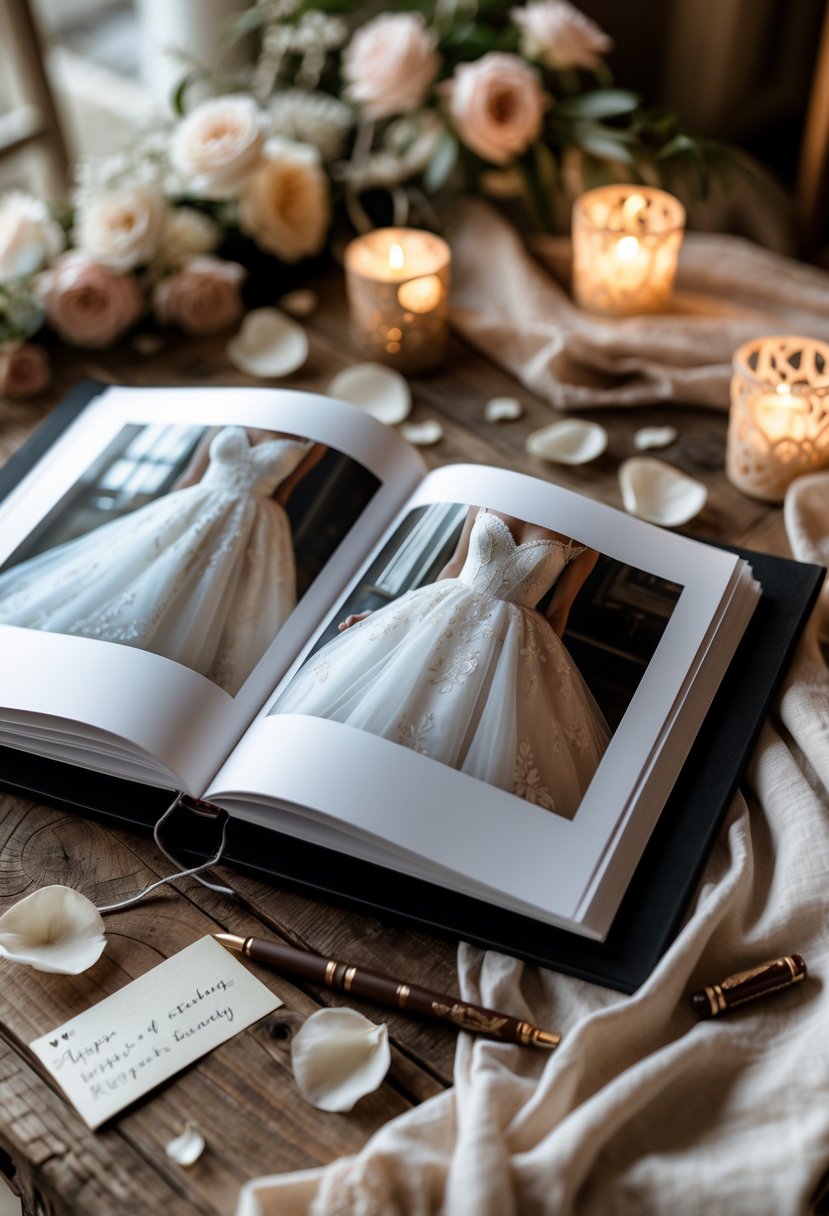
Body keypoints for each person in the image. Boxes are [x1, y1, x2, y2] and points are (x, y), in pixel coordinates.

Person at [273, 505, 610, 817]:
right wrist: (388, 618)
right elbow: (454, 565)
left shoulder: (586, 535)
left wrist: (543, 677)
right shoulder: (492, 492)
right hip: (446, 610)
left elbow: (558, 614)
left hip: (511, 643)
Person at [0, 425, 325, 695]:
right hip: (196, 504)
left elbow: (284, 494)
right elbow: (189, 477)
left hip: (254, 520)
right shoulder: (235, 413)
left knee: (217, 598)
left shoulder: (317, 438)